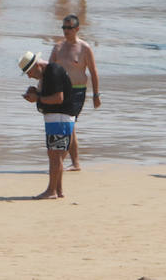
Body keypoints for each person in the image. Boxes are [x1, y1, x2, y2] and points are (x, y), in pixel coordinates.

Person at [19, 50, 76, 199]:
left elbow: (58, 98)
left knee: (55, 154)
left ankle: (51, 191)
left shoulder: (53, 71)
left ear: (37, 65)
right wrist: (36, 91)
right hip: (59, 118)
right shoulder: (48, 74)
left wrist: (37, 97)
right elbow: (51, 95)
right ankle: (58, 190)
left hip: (60, 117)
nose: (29, 76)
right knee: (56, 154)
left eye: (29, 72)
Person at [49, 14, 102, 171]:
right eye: (64, 28)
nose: (66, 31)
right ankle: (75, 163)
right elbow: (49, 70)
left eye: (69, 28)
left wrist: (96, 95)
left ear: (77, 29)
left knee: (68, 125)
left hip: (78, 92)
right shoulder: (58, 47)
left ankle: (58, 162)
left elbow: (93, 71)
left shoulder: (84, 48)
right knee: (70, 125)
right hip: (61, 92)